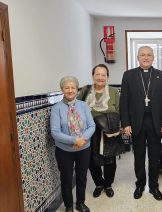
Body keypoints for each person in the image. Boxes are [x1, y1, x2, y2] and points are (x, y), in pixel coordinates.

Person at [120, 46, 162, 201]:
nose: (146, 57)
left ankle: (154, 186)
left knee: (154, 157)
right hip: (137, 123)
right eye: (143, 55)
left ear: (153, 57)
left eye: (149, 55)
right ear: (138, 57)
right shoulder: (128, 75)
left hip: (156, 122)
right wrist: (126, 124)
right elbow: (124, 102)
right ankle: (140, 184)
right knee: (139, 156)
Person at [50, 76, 95, 212]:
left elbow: (92, 126)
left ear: (77, 89)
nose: (70, 90)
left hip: (84, 149)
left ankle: (80, 203)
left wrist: (83, 140)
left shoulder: (83, 105)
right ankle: (68, 205)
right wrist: (74, 140)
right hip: (64, 151)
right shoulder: (56, 108)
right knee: (66, 179)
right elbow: (55, 132)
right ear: (62, 89)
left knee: (82, 177)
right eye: (67, 87)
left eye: (73, 87)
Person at [77, 64, 121, 199]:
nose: (100, 77)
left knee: (110, 160)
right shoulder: (85, 90)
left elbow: (119, 110)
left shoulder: (113, 92)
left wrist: (119, 128)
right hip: (89, 131)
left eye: (103, 75)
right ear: (93, 76)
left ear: (107, 77)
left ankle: (108, 184)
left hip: (109, 130)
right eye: (97, 74)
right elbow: (77, 109)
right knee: (91, 160)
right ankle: (99, 184)